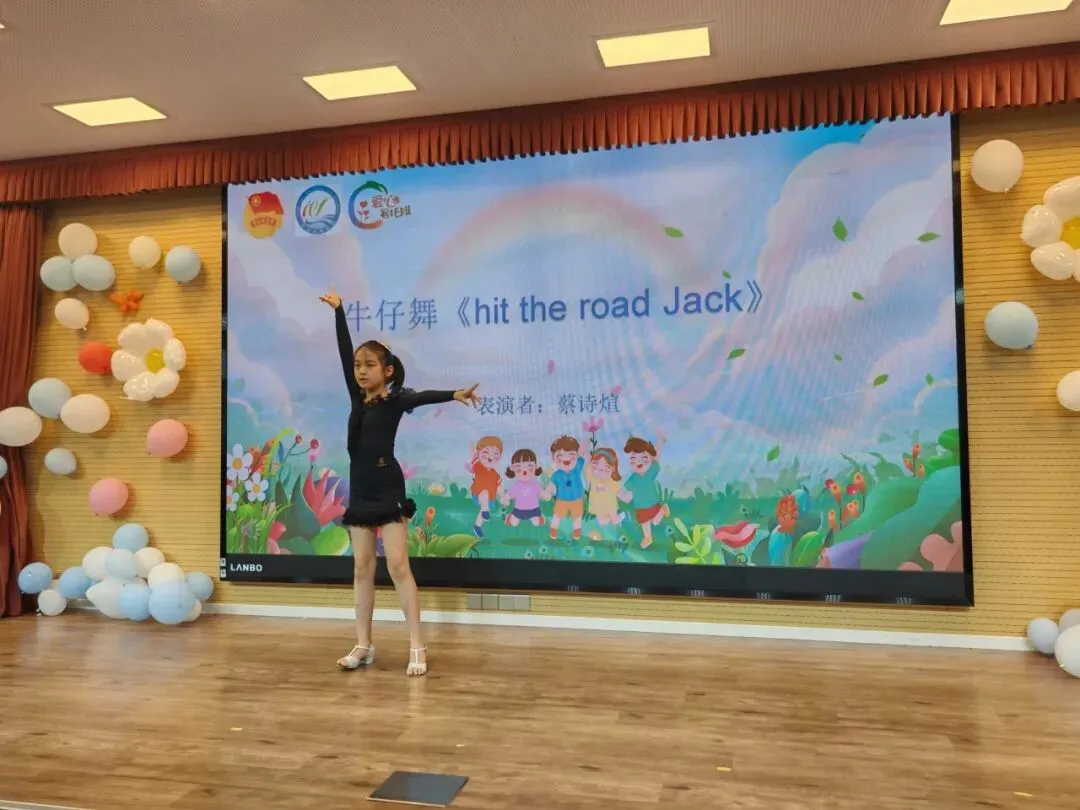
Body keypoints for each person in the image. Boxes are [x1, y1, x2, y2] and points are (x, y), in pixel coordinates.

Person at [320, 285, 480, 676]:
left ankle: (417, 645)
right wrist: (339, 312)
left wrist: (455, 393)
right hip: (360, 490)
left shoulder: (395, 401)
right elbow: (343, 351)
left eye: (369, 365)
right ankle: (363, 644)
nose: (361, 370)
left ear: (387, 371)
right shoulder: (357, 398)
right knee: (361, 568)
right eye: (358, 365)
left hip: (388, 488)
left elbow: (421, 397)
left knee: (397, 565)